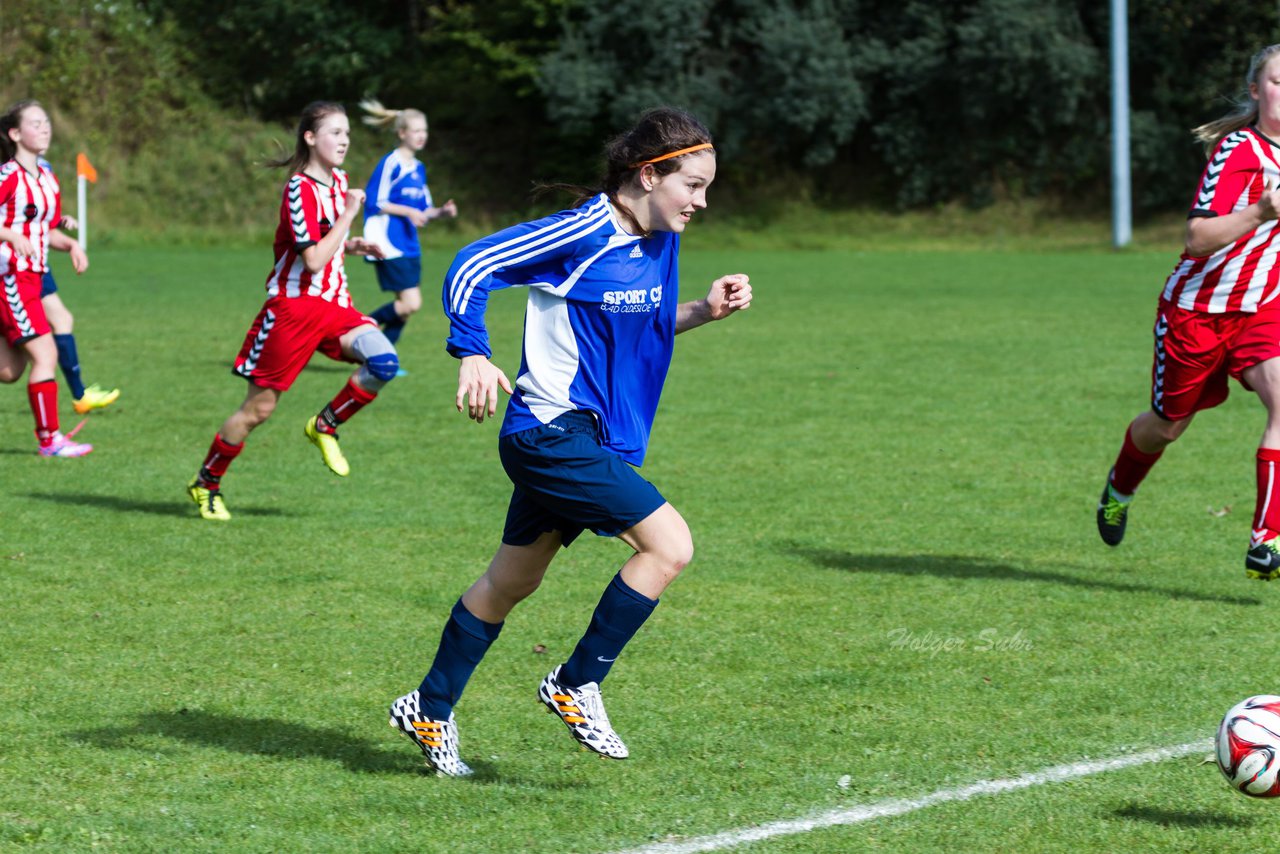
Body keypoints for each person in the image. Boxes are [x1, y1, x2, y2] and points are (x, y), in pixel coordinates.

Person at [387, 107, 753, 776]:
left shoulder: (658, 237)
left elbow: (639, 324)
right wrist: (470, 350)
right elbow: (473, 265)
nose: (700, 202)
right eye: (692, 186)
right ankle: (574, 683)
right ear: (649, 174)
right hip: (549, 434)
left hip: (587, 437)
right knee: (670, 546)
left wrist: (704, 310)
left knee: (509, 581)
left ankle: (428, 707)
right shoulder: (586, 230)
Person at [1097, 43, 1280, 581]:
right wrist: (1261, 210)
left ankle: (1265, 542)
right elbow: (1197, 238)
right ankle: (1119, 488)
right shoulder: (1239, 150)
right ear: (1255, 90)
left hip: (1262, 310)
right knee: (1168, 426)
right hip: (1196, 312)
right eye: (1277, 82)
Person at [186, 101, 395, 521]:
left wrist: (353, 245)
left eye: (348, 133)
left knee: (385, 361)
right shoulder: (298, 189)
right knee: (257, 411)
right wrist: (351, 216)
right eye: (336, 132)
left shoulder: (339, 182)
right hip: (293, 311)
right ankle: (206, 483)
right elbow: (313, 259)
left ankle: (325, 425)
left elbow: (326, 245)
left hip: (336, 306)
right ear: (311, 137)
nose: (345, 140)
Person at [0, 100, 93, 457]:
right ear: (15, 134)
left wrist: (69, 244)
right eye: (35, 123)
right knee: (45, 353)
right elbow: (13, 230)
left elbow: (44, 230)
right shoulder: (8, 175)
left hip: (31, 279)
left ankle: (51, 438)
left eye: (47, 122)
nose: (45, 128)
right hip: (10, 277)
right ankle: (50, 439)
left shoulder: (48, 178)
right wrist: (10, 236)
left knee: (10, 370)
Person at [359, 99, 457, 360]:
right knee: (411, 303)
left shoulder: (419, 168)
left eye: (424, 130)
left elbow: (424, 209)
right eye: (416, 130)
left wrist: (442, 213)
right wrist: (409, 212)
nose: (422, 135)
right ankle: (359, 328)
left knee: (407, 307)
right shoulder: (391, 163)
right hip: (388, 242)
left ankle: (382, 356)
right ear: (402, 133)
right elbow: (375, 201)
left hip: (409, 243)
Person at [35, 162, 121, 414]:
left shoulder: (36, 179)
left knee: (55, 327)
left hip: (36, 267)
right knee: (33, 352)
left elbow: (38, 226)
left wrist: (62, 228)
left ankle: (78, 395)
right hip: (17, 268)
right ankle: (76, 398)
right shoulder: (14, 180)